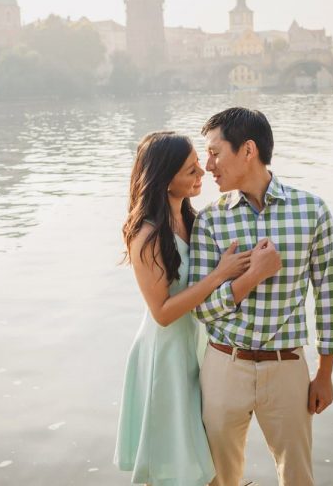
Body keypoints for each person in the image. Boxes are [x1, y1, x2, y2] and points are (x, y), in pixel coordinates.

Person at [189, 108, 333, 486]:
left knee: (298, 479)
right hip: (225, 364)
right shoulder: (209, 220)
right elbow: (202, 310)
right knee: (219, 479)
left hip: (287, 367)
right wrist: (253, 275)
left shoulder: (312, 210)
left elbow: (330, 296)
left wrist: (325, 372)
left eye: (215, 152)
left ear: (248, 150)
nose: (208, 166)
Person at [114, 131, 277, 486]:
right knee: (175, 461)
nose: (202, 171)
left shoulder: (194, 221)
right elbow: (163, 312)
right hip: (166, 353)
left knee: (205, 452)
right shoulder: (146, 234)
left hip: (200, 346)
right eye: (190, 170)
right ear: (165, 176)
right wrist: (220, 274)